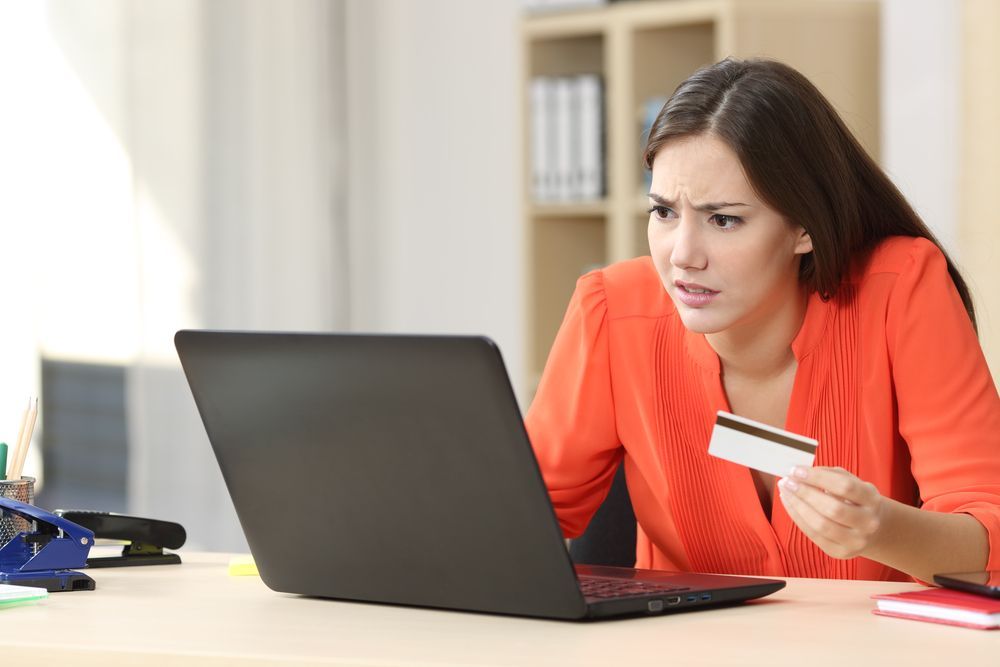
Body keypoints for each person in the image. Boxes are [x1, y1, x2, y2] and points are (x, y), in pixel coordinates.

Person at [525, 57, 1000, 583]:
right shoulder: (610, 310)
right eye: (663, 212)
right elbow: (520, 522)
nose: (683, 255)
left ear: (805, 227)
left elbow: (986, 534)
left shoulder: (901, 288)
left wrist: (881, 529)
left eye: (723, 219)